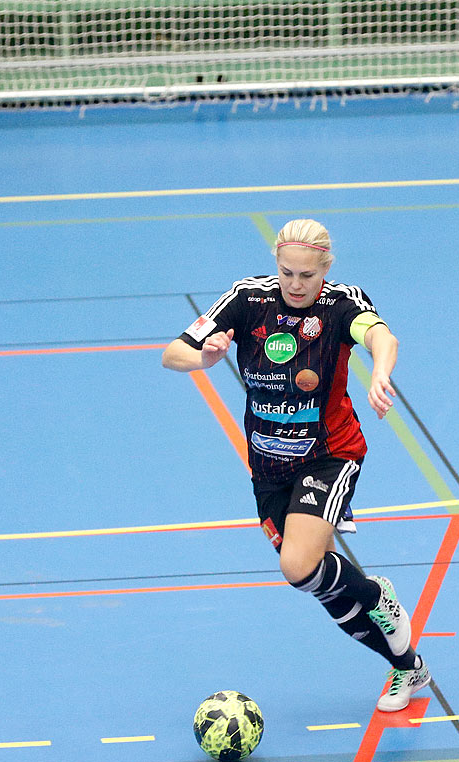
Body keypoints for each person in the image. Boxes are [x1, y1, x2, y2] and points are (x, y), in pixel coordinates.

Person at [162, 219, 430, 712]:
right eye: (287, 272)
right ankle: (407, 666)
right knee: (313, 582)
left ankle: (375, 596)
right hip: (267, 466)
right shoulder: (248, 299)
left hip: (329, 455)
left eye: (307, 275)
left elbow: (381, 337)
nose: (295, 284)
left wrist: (381, 373)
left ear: (325, 269)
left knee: (297, 565)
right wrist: (203, 358)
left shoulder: (341, 303)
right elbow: (173, 352)